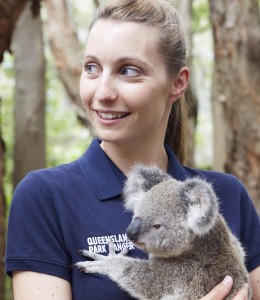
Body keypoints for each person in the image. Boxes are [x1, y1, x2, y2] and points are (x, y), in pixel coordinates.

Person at [5, 0, 260, 299]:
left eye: (128, 71)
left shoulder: (226, 195)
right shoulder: (45, 196)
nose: (102, 93)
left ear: (177, 84)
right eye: (92, 68)